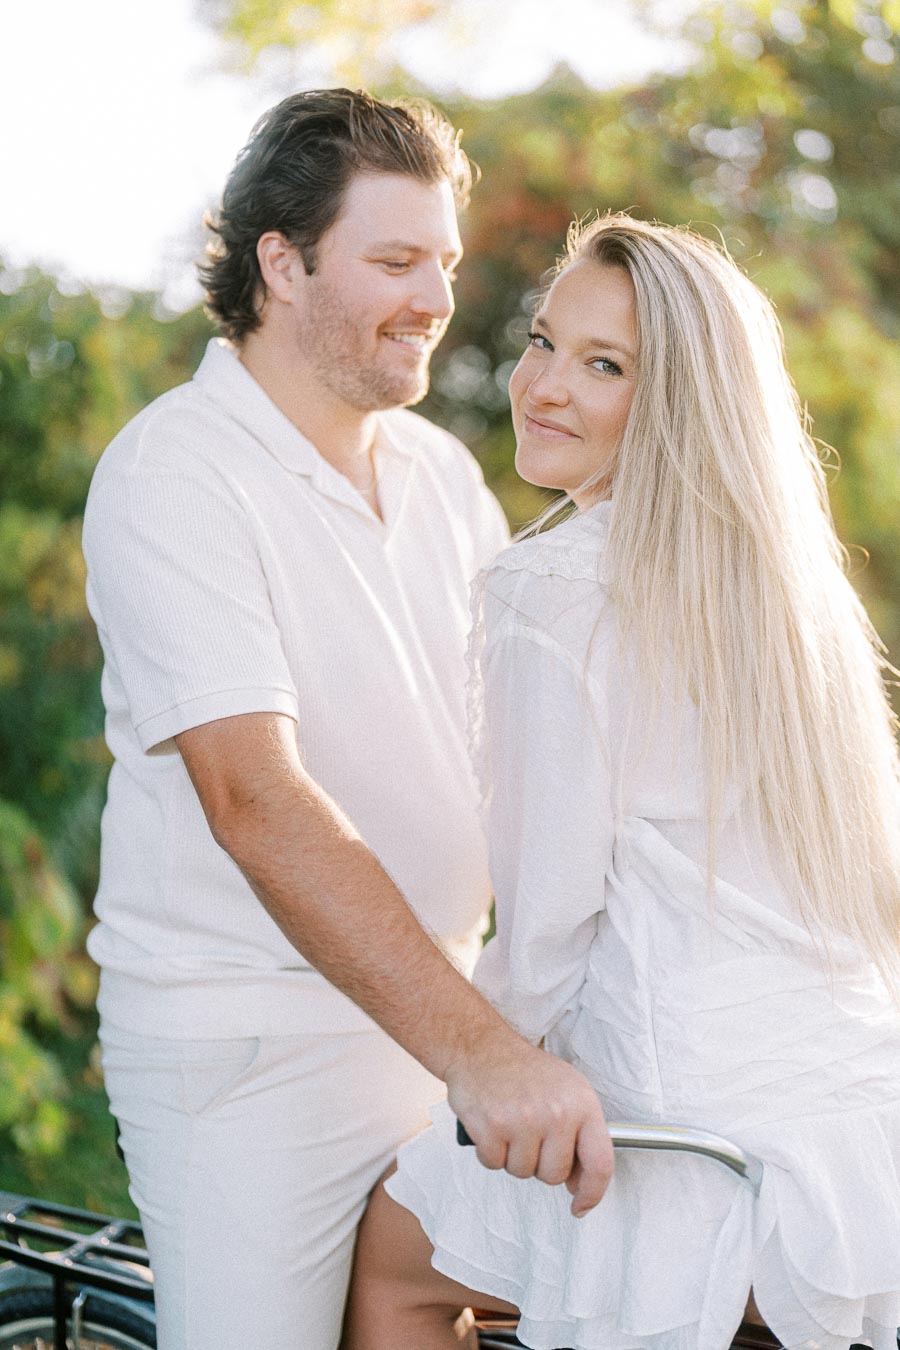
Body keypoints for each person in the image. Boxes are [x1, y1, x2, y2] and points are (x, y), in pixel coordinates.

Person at [81, 90, 615, 1350]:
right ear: (283, 261)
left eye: (445, 259)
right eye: (394, 260)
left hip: (449, 1015)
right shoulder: (177, 474)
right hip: (255, 1054)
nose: (437, 295)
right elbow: (256, 804)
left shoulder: (437, 474)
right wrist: (482, 1054)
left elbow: (524, 754)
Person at [342, 214, 900, 1350]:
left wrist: (475, 1067)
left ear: (678, 404)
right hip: (855, 1150)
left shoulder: (554, 590)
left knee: (389, 1274)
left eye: (605, 366)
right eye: (545, 343)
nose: (543, 386)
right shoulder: (795, 602)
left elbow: (546, 931)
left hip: (687, 1146)